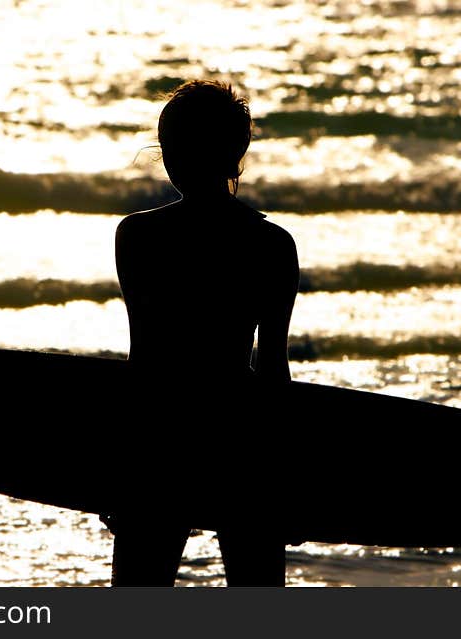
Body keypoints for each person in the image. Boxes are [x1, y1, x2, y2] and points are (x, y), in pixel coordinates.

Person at [108, 80, 300, 586]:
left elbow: (144, 361)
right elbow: (273, 372)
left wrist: (114, 473)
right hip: (243, 443)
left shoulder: (138, 237)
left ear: (169, 154)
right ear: (236, 154)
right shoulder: (273, 245)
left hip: (159, 442)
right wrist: (286, 485)